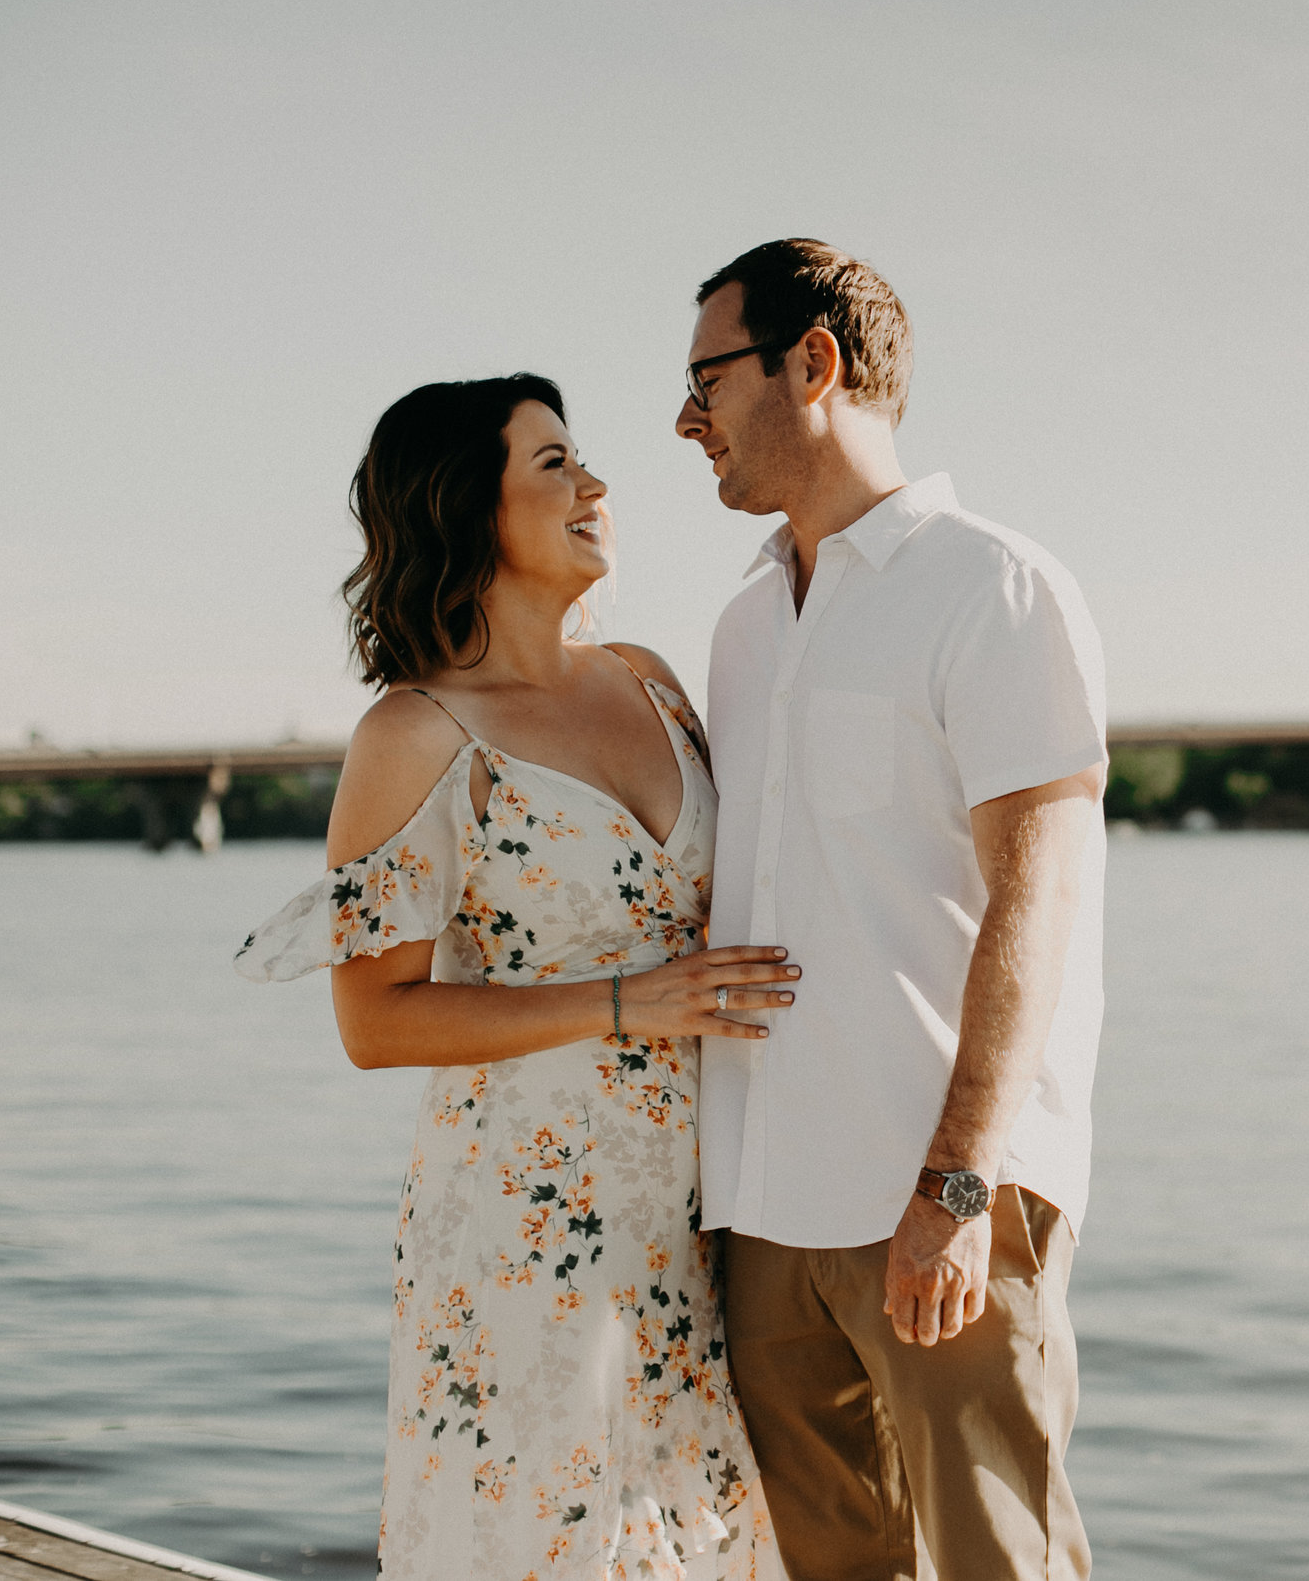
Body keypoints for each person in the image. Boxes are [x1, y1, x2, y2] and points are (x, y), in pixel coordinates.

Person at [235, 375, 791, 1580]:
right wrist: (624, 1001)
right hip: (524, 1226)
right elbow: (373, 1021)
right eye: (552, 464)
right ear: (467, 508)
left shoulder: (649, 678)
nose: (595, 485)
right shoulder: (417, 733)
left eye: (580, 459)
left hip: (694, 1211)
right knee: (542, 1539)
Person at [677, 239, 1108, 1581]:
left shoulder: (995, 585)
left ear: (814, 364)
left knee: (1001, 1561)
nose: (684, 420)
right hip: (764, 1208)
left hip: (940, 1191)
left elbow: (1039, 896)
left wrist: (958, 1180)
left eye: (708, 378)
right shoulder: (745, 625)